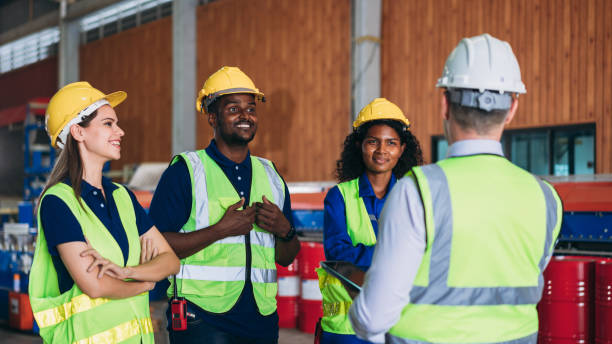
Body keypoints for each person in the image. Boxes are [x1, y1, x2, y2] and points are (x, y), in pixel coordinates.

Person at [349, 33, 563, 344]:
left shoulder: (417, 192)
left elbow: (373, 318)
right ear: (513, 107)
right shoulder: (546, 198)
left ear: (445, 104)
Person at [149, 66, 300, 344]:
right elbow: (154, 246)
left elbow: (287, 257)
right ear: (212, 116)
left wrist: (285, 229)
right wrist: (220, 230)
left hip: (261, 319)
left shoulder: (271, 175)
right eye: (233, 109)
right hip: (201, 319)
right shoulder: (186, 172)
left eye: (251, 109)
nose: (245, 116)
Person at [29, 81, 180, 344]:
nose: (120, 131)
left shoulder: (123, 197)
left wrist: (125, 272)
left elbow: (170, 261)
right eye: (108, 123)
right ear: (78, 132)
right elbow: (94, 285)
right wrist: (144, 282)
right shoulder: (58, 202)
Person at [317, 98, 423, 344]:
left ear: (402, 148)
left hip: (400, 323)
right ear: (359, 145)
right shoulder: (339, 197)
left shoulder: (414, 195)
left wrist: (368, 255)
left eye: (391, 143)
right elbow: (338, 253)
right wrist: (394, 255)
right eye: (373, 142)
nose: (382, 151)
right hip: (347, 329)